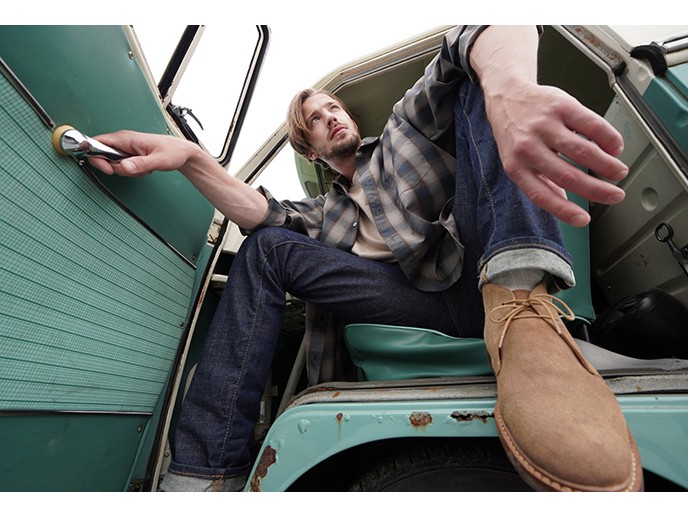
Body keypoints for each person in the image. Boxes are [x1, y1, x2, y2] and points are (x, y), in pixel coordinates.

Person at [89, 25, 642, 492]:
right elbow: (258, 213)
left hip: (477, 278)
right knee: (267, 246)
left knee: (476, 82)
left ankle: (524, 308)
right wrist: (190, 157)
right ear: (309, 149)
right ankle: (205, 475)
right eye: (315, 119)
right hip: (412, 304)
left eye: (333, 107)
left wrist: (512, 91)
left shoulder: (405, 132)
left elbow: (478, 30)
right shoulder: (323, 212)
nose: (330, 116)